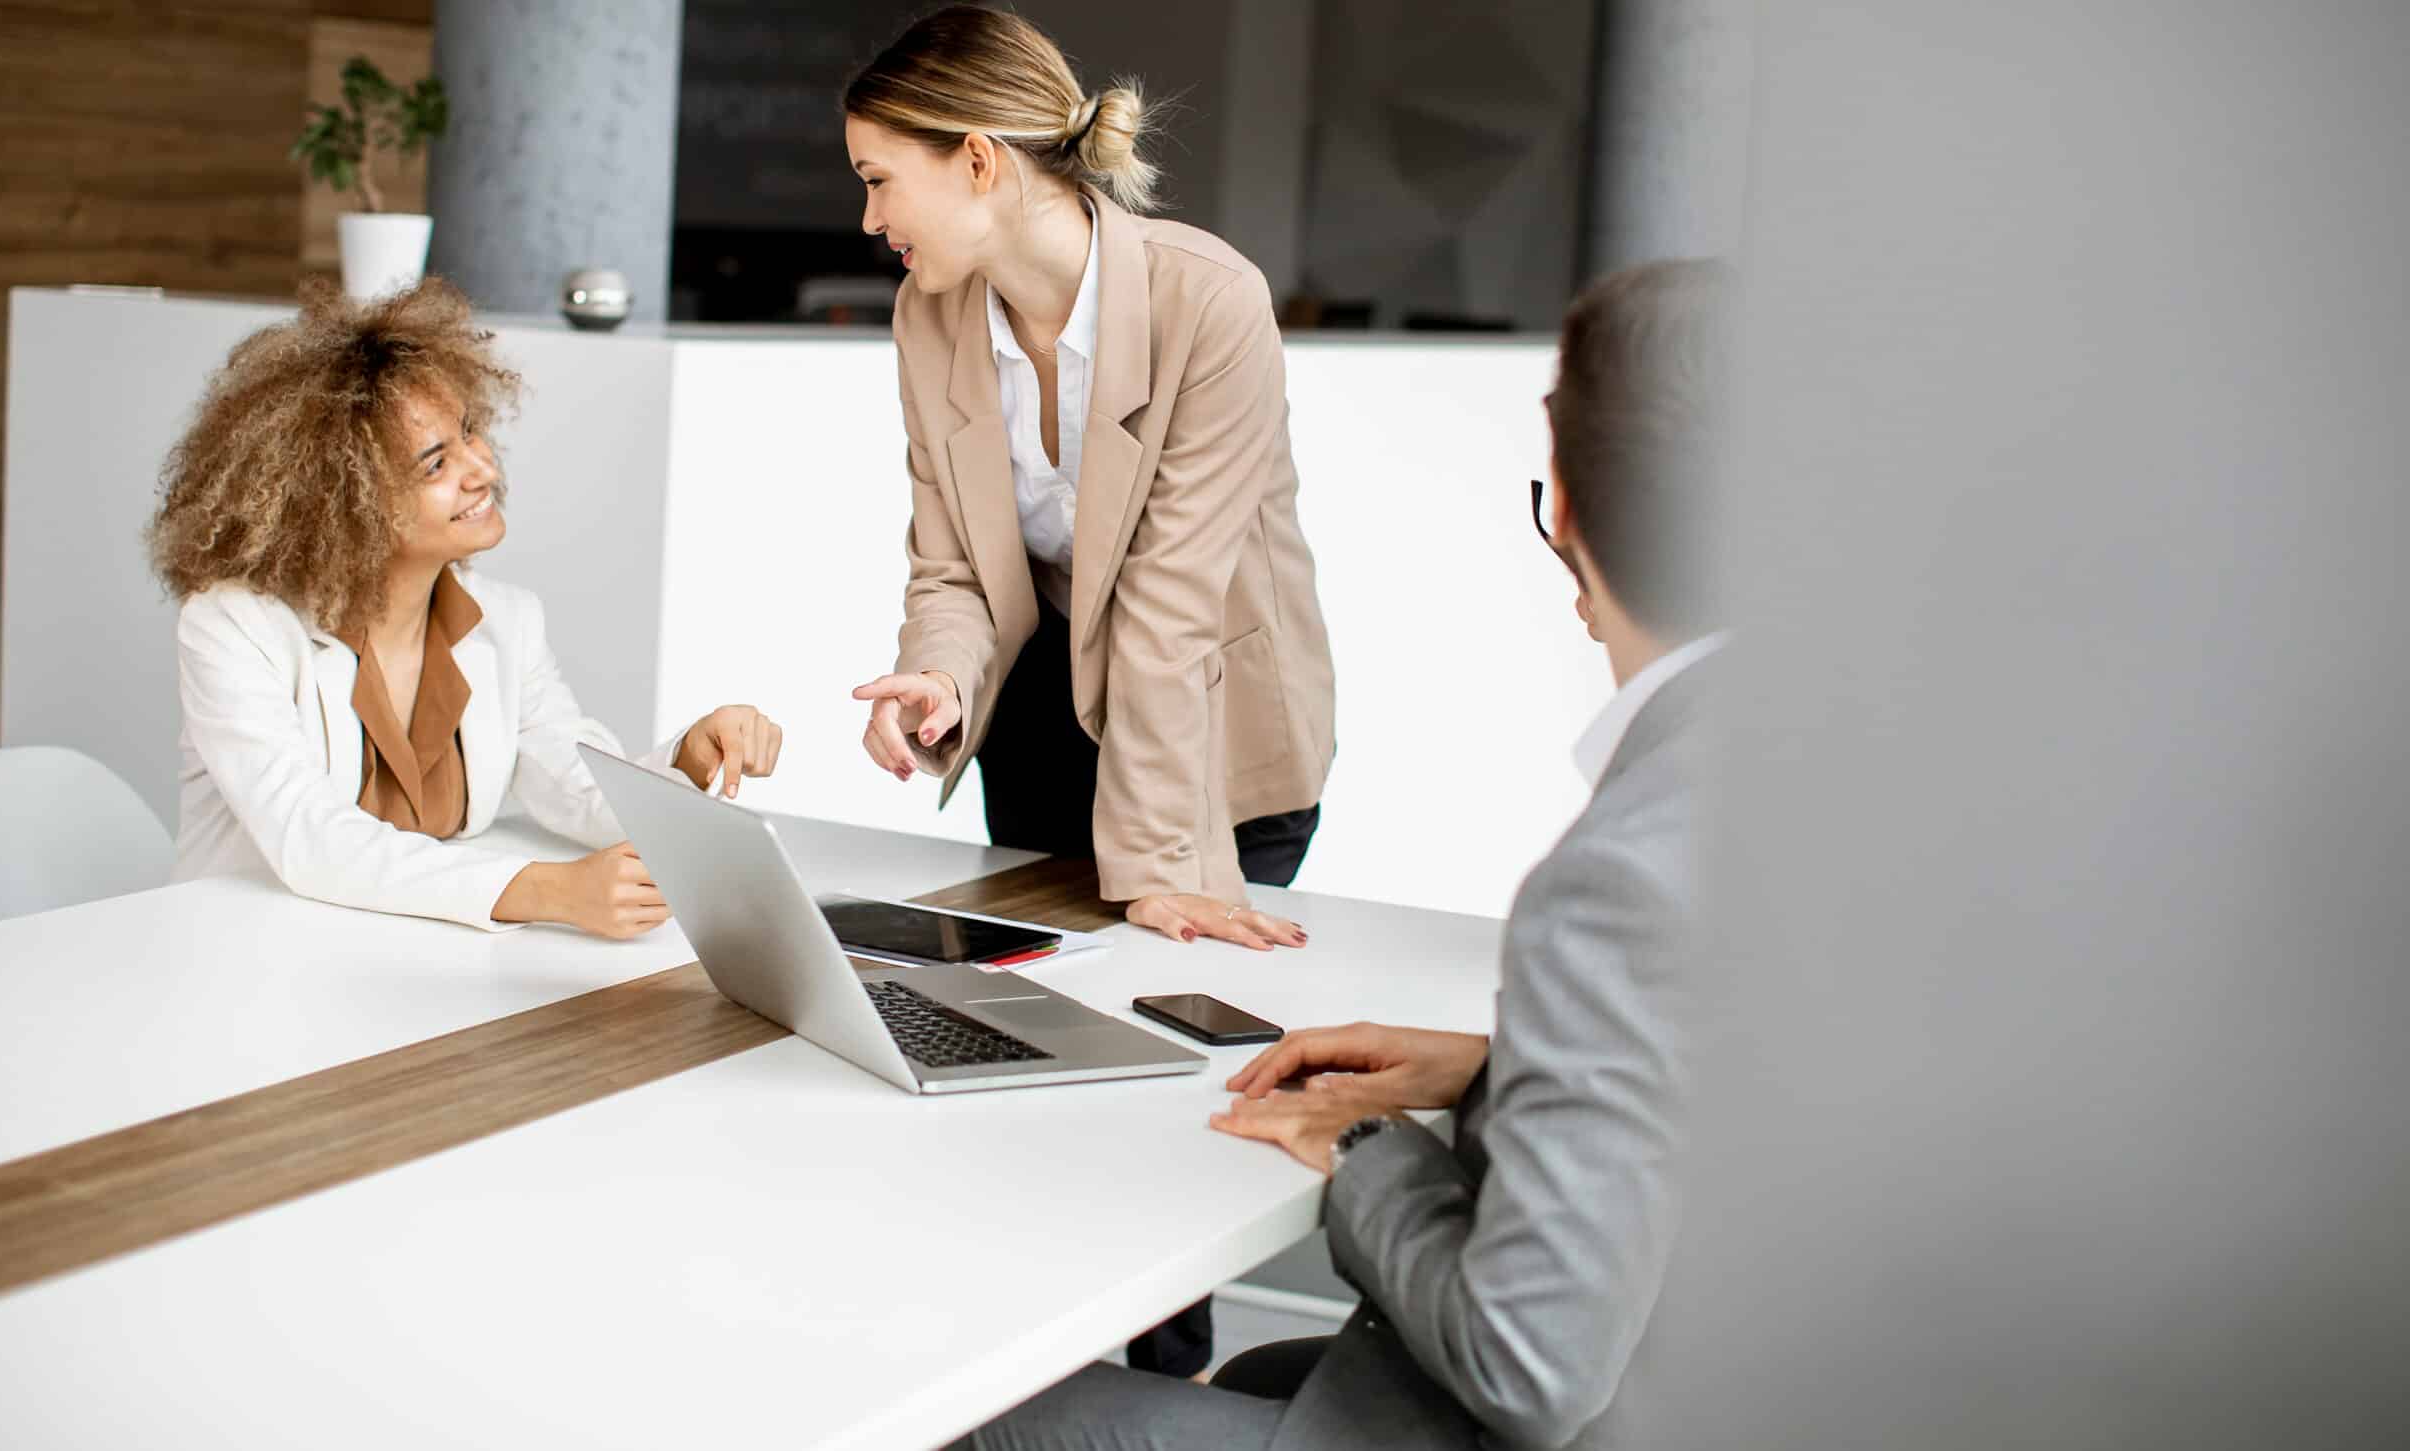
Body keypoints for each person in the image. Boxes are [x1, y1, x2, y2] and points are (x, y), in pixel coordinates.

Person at [951, 257, 1736, 1451]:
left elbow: (1529, 1370)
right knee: (1267, 1362)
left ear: (1565, 507)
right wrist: (1491, 1069)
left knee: (985, 1423)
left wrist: (1363, 1146)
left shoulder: (1622, 880)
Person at [841, 4, 1337, 958]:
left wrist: (1157, 862)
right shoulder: (928, 315)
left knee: (1171, 1013)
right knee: (1045, 1007)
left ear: (978, 162)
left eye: (879, 181)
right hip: (1040, 728)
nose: (870, 218)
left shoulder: (1210, 301)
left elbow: (1172, 600)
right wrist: (940, 674)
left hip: (1205, 734)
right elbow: (952, 564)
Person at [148, 279, 782, 937]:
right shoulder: (232, 628)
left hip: (419, 970)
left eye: (471, 433)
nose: (481, 468)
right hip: (240, 962)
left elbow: (580, 789)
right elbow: (311, 840)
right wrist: (545, 889)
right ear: (343, 500)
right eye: (435, 464)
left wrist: (692, 758)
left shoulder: (507, 623)